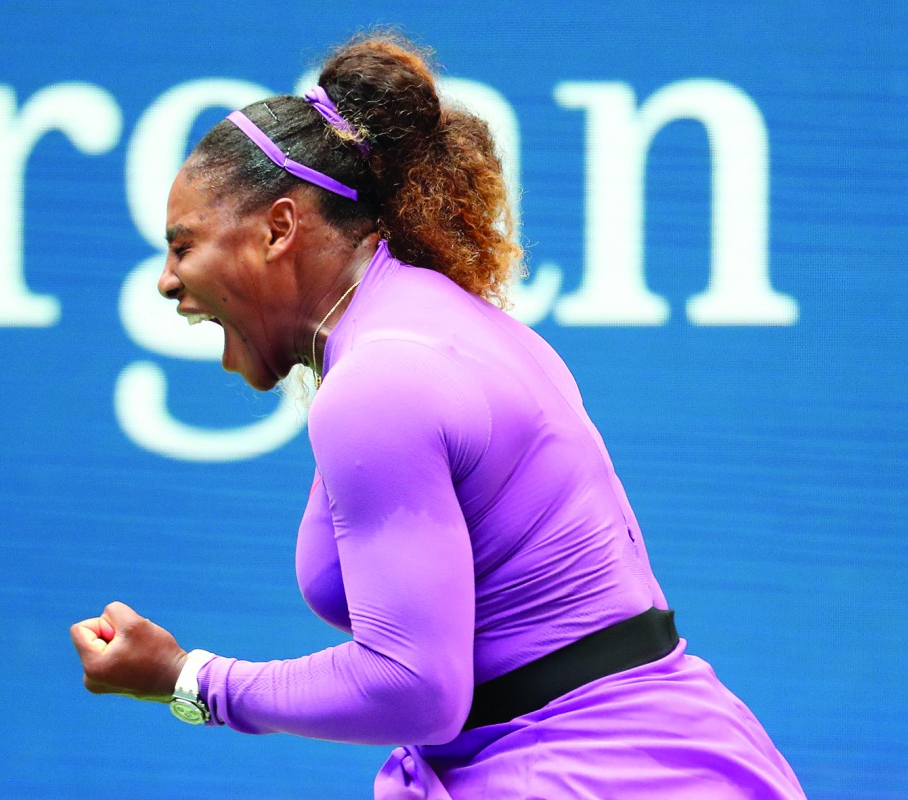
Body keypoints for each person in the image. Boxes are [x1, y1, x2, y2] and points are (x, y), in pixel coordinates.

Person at [70, 33, 807, 799]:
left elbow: (414, 687)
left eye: (183, 246)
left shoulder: (381, 381)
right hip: (647, 756)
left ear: (278, 229)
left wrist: (189, 678)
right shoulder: (436, 327)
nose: (166, 282)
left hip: (593, 774)